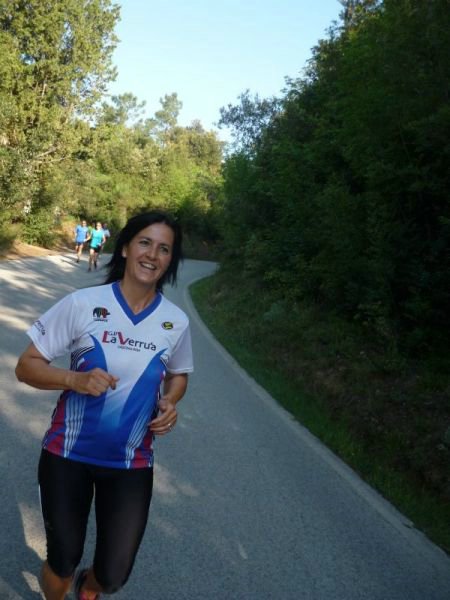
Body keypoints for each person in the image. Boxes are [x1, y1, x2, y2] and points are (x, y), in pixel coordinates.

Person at [15, 211, 193, 600]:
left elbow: (178, 375)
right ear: (126, 248)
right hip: (67, 455)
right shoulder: (83, 304)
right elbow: (25, 366)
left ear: (170, 260)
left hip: (131, 464)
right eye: (145, 243)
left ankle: (88, 585)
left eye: (164, 249)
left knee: (113, 577)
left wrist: (170, 400)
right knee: (62, 559)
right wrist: (73, 379)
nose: (153, 255)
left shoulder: (175, 322)